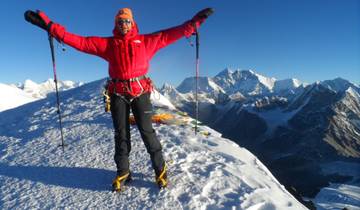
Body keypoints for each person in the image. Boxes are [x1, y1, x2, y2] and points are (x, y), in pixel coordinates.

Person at [25, 7, 213, 191]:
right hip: (117, 93)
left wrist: (193, 24)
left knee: (147, 132)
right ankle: (123, 172)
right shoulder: (109, 44)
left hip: (140, 92)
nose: (124, 24)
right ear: (116, 24)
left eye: (127, 21)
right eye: (120, 21)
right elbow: (80, 42)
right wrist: (51, 27)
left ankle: (160, 170)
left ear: (132, 23)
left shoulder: (147, 41)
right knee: (121, 134)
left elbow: (173, 33)